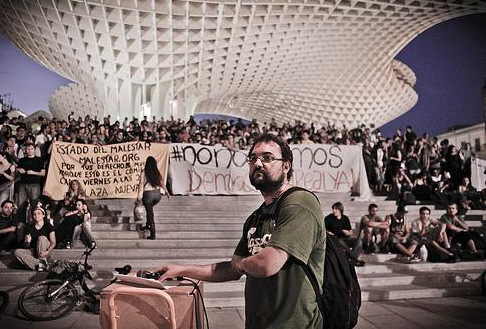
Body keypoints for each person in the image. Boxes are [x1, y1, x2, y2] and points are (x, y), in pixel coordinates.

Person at [155, 133, 326, 328]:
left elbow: (267, 264)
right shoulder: (256, 216)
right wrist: (181, 269)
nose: (258, 163)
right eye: (253, 158)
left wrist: (242, 262)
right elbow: (232, 268)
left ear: (286, 166)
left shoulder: (299, 203)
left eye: (267, 158)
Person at [137, 156, 169, 240]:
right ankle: (148, 225)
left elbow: (141, 184)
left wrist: (139, 196)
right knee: (149, 210)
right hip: (157, 195)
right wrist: (166, 192)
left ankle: (153, 233)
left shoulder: (144, 171)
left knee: (150, 213)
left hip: (148, 195)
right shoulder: (156, 172)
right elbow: (162, 182)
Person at [14, 207, 56, 271]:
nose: (36, 215)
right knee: (17, 252)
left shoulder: (49, 226)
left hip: (45, 250)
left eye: (39, 213)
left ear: (43, 215)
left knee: (41, 238)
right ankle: (41, 264)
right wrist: (27, 242)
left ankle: (41, 262)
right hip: (34, 250)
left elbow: (53, 242)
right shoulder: (29, 227)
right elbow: (26, 246)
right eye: (34, 214)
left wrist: (47, 251)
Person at [324, 202, 364, 266]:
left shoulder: (345, 218)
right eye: (333, 209)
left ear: (340, 210)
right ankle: (355, 259)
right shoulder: (328, 218)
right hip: (335, 240)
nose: (334, 211)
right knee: (339, 241)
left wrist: (348, 233)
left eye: (336, 209)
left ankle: (351, 259)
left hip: (346, 238)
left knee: (359, 241)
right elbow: (324, 230)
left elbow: (350, 231)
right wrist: (329, 232)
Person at [16, 143, 46, 223]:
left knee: (35, 204)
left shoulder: (39, 160)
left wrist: (33, 172)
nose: (29, 150)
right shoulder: (22, 160)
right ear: (25, 150)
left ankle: (34, 222)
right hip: (22, 184)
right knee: (21, 205)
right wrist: (19, 170)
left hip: (34, 184)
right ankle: (21, 223)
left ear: (34, 150)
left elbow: (43, 173)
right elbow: (16, 170)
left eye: (31, 149)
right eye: (28, 149)